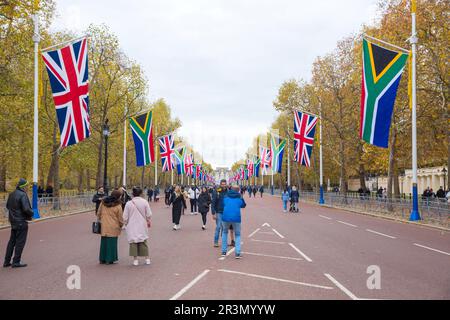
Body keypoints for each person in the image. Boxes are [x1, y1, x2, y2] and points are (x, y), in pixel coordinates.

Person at [3, 178, 33, 268]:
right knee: (20, 242)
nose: (27, 187)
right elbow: (26, 209)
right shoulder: (23, 195)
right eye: (26, 185)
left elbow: (8, 206)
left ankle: (6, 261)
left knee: (11, 242)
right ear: (23, 186)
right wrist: (32, 213)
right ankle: (16, 261)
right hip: (21, 221)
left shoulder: (11, 194)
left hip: (13, 221)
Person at [123, 186, 152, 266]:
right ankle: (147, 259)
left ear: (133, 193)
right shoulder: (145, 202)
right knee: (143, 241)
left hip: (131, 225)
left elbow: (125, 216)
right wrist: (148, 220)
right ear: (141, 193)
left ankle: (135, 260)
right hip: (142, 224)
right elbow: (149, 214)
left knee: (133, 242)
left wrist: (125, 223)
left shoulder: (129, 203)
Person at [96, 189, 124, 265]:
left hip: (104, 225)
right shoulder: (118, 205)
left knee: (104, 242)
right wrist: (121, 225)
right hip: (114, 226)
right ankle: (110, 259)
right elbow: (120, 218)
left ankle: (102, 259)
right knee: (112, 243)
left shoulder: (103, 202)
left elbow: (98, 213)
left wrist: (100, 219)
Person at [221, 184, 246, 259]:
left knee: (225, 232)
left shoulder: (226, 197)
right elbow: (243, 205)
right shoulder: (239, 198)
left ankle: (224, 251)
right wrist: (241, 197)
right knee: (237, 234)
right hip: (236, 218)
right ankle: (237, 253)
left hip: (225, 217)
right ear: (238, 190)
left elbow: (223, 204)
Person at [211, 179, 228, 247]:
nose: (223, 185)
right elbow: (213, 203)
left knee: (224, 228)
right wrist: (213, 213)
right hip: (218, 212)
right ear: (220, 184)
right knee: (218, 227)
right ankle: (216, 241)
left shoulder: (228, 192)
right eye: (222, 184)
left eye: (224, 184)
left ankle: (223, 241)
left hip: (226, 212)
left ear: (226, 184)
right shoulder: (216, 191)